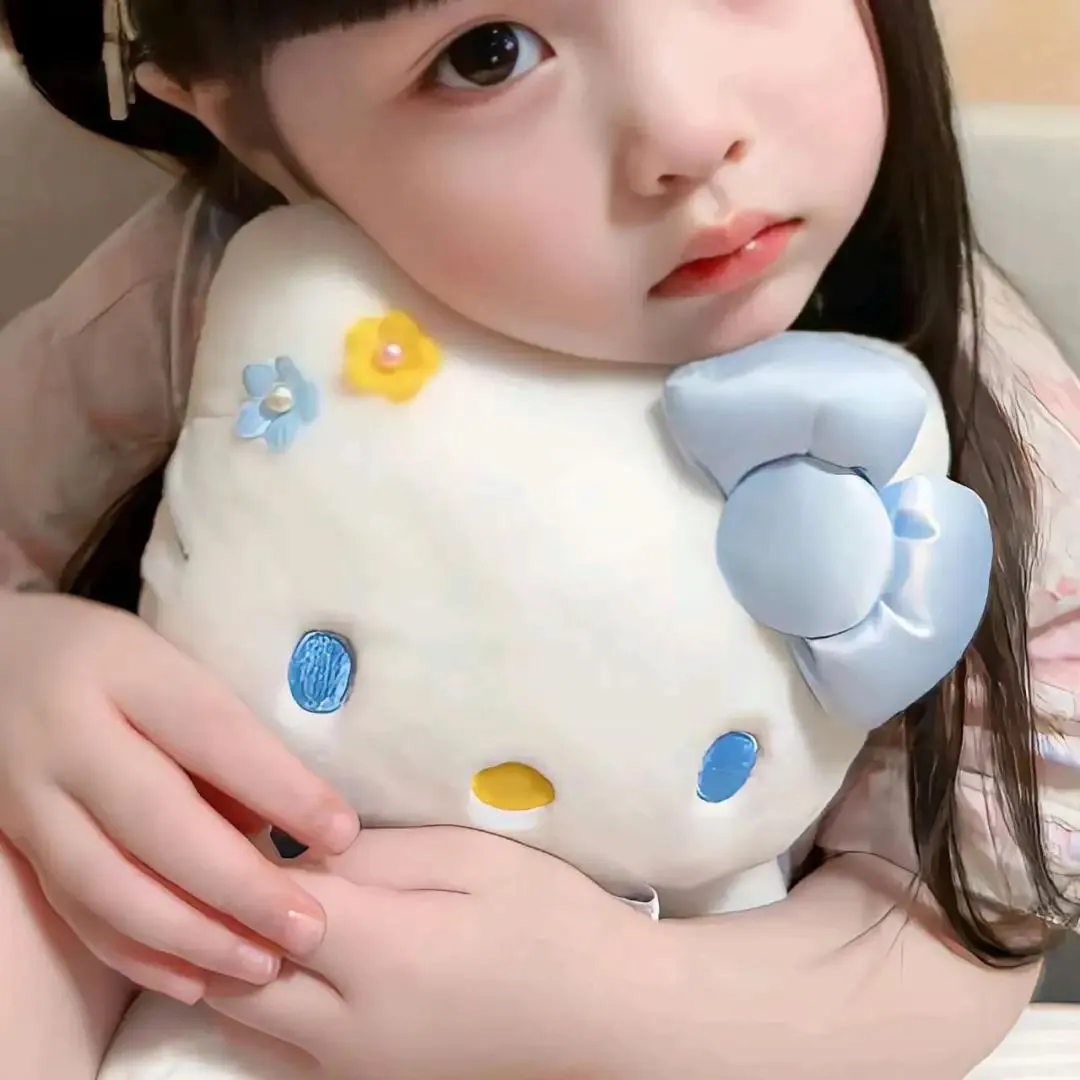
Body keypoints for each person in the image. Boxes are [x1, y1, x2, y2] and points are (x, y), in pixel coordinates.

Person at [0, 0, 1078, 1077]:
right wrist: (26, 662)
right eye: (488, 55)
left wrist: (622, 1003)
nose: (689, 131)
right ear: (243, 123)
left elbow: (968, 918)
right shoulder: (208, 291)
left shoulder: (999, 429)